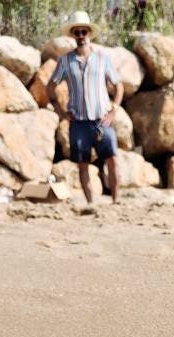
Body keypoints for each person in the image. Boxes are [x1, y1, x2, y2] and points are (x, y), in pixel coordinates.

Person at [47, 10, 124, 205]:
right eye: (77, 32)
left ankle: (117, 202)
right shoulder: (65, 61)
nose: (81, 36)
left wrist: (114, 110)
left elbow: (119, 85)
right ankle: (91, 204)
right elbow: (50, 86)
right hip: (79, 122)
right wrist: (60, 111)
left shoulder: (103, 58)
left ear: (89, 33)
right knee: (83, 165)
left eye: (84, 32)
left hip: (102, 120)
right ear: (73, 35)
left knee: (112, 160)